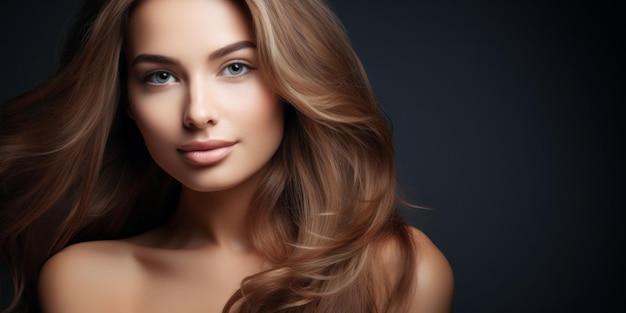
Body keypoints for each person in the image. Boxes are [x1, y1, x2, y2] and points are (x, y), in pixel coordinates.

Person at [0, 0, 454, 312]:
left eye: (235, 67)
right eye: (159, 76)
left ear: (291, 79)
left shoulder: (395, 272)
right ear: (126, 102)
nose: (198, 112)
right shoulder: (84, 282)